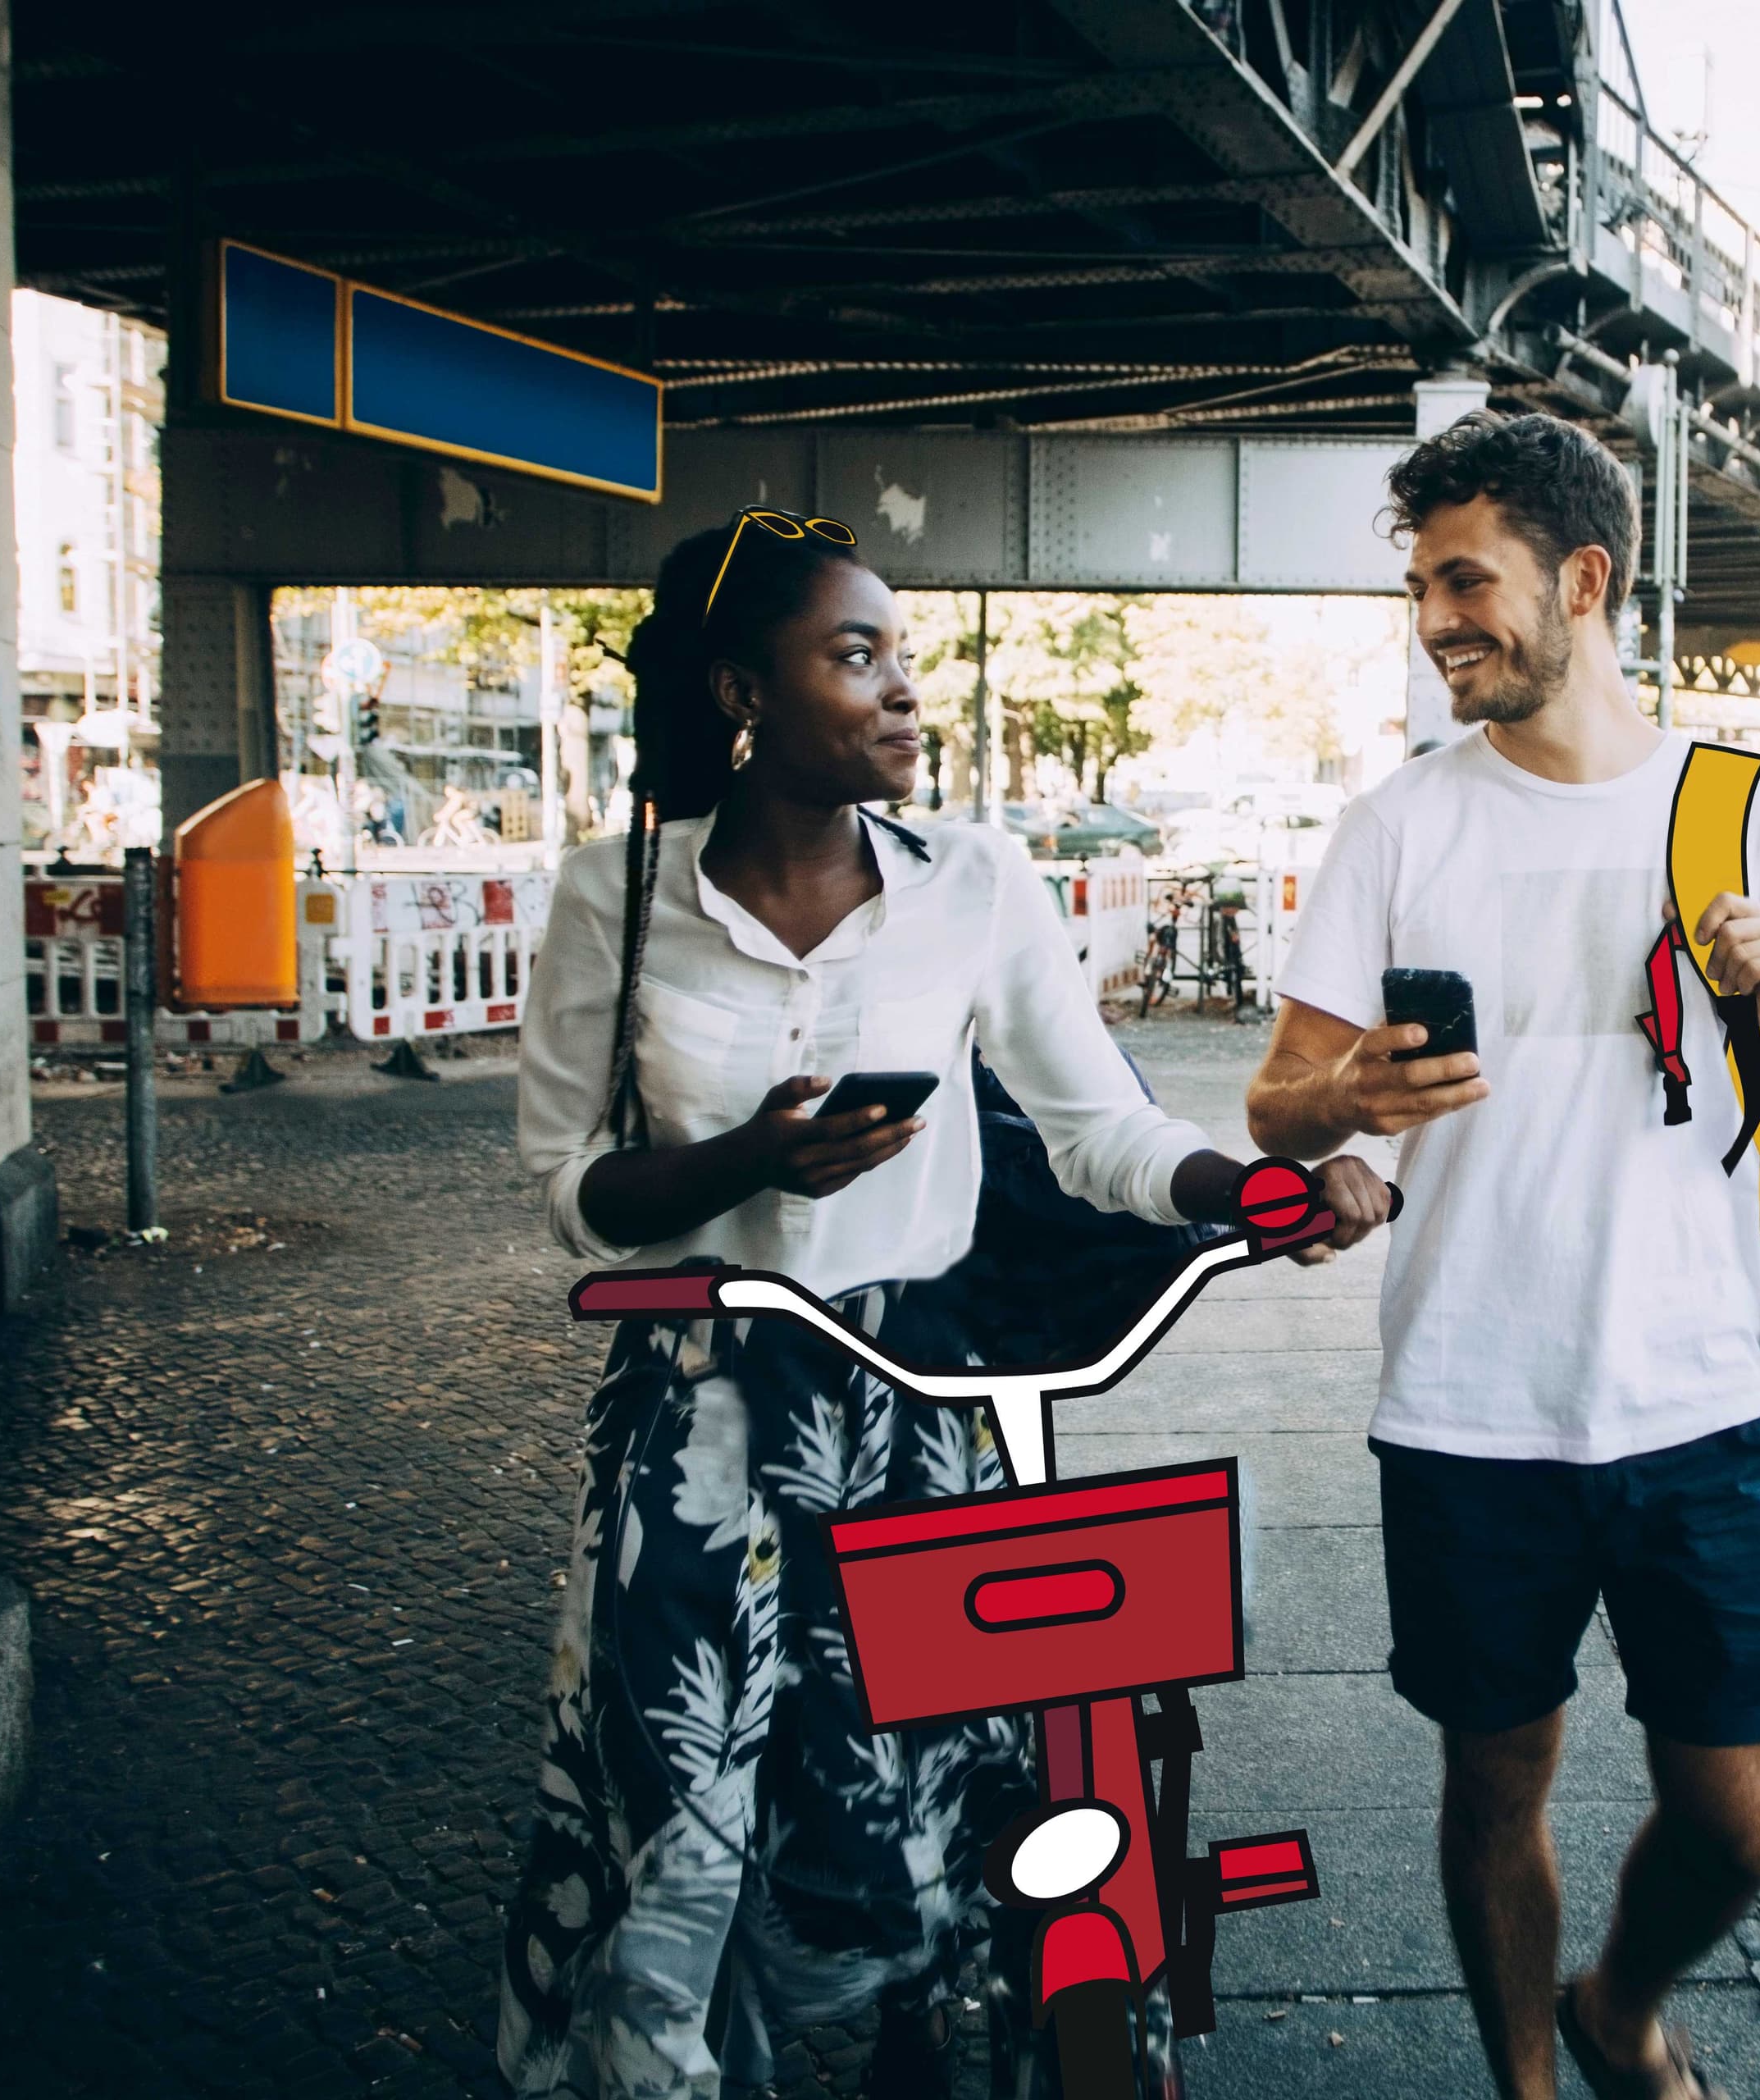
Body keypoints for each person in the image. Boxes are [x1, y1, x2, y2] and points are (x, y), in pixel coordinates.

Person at [500, 507, 1384, 2100]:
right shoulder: (609, 891)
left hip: (914, 1406)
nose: (905, 691)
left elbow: (1097, 1126)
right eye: (857, 655)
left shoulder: (974, 880)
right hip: (693, 1422)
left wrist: (1247, 1191)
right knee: (677, 1814)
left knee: (914, 1812)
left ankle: (934, 2023)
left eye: (904, 655)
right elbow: (573, 1181)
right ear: (740, 689)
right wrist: (741, 1161)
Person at [1246, 414, 1760, 2100]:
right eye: (1420, 586)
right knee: (1498, 1783)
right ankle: (1531, 2086)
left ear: (1584, 579)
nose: (1436, 617)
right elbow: (1278, 1099)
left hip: (1698, 1392)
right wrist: (1349, 1098)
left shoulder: (1739, 803)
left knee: (1740, 1820)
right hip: (1472, 1401)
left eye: (1466, 579)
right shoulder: (1399, 827)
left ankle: (1621, 1998)